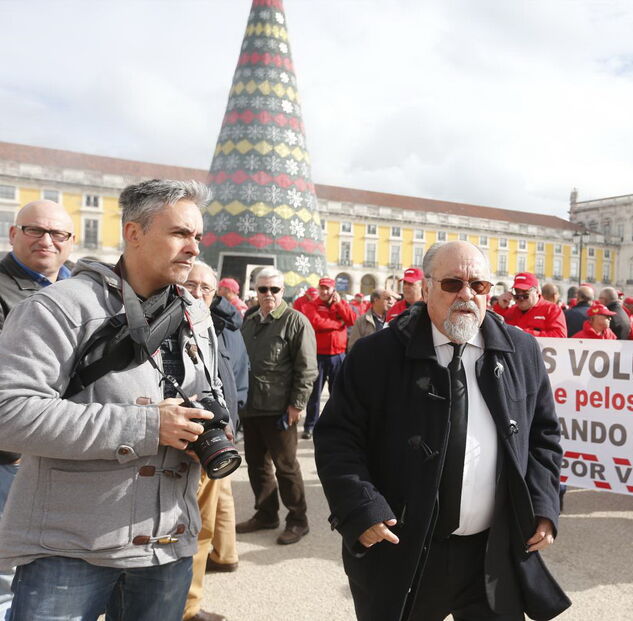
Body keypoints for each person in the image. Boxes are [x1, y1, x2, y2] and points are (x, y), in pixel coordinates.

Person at [0, 180, 222, 619]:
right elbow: (11, 413)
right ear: (133, 233)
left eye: (198, 237)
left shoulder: (196, 312)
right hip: (70, 548)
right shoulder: (58, 307)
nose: (194, 248)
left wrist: (212, 425)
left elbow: (207, 393)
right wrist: (147, 426)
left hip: (167, 546)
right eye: (180, 233)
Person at [314, 241, 570, 621]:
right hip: (404, 552)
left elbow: (543, 437)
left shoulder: (523, 350)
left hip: (493, 554)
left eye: (479, 286)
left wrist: (545, 507)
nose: (467, 295)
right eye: (453, 284)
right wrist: (360, 508)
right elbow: (337, 438)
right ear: (427, 287)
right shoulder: (376, 355)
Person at [0, 199, 75, 616]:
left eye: (58, 234)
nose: (47, 241)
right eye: (35, 230)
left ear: (70, 242)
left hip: (67, 443)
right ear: (13, 234)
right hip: (13, 451)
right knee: (7, 569)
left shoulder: (79, 286)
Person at [181, 261, 248, 621]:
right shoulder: (165, 325)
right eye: (190, 285)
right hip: (178, 448)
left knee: (203, 530)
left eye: (205, 288)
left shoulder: (221, 329)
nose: (196, 293)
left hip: (216, 445)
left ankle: (190, 606)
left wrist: (232, 426)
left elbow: (239, 379)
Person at [237, 267, 317, 546]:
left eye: (275, 289)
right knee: (256, 464)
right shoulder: (248, 318)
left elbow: (307, 369)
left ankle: (298, 520)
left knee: (286, 467)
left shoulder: (296, 321)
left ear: (284, 292)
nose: (269, 294)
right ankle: (266, 514)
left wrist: (296, 405)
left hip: (279, 409)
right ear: (255, 291)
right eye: (263, 289)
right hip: (250, 406)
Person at [298, 277, 355, 439]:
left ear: (333, 290)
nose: (324, 291)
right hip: (318, 355)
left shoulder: (341, 304)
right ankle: (310, 425)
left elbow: (351, 320)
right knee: (314, 394)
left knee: (338, 393)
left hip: (338, 355)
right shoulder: (311, 305)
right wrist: (338, 324)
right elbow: (317, 323)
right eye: (321, 288)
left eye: (327, 289)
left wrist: (338, 305)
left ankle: (337, 425)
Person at [502, 272, 568, 337]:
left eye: (525, 293)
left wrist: (524, 334)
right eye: (517, 292)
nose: (520, 298)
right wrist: (500, 307)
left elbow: (560, 336)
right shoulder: (510, 311)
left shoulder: (552, 310)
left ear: (536, 291)